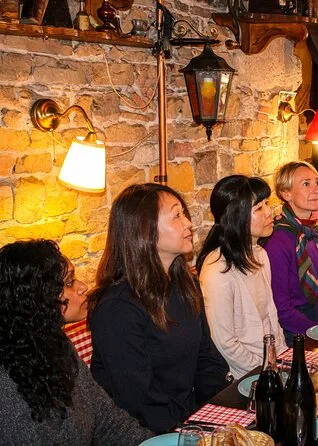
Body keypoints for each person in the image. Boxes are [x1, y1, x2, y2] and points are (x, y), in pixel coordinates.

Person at [89, 183, 230, 434]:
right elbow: (138, 399)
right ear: (145, 231)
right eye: (177, 215)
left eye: (184, 213)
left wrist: (215, 412)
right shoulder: (117, 308)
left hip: (188, 419)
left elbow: (207, 357)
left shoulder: (185, 284)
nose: (189, 223)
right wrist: (190, 431)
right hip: (144, 432)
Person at [0, 240, 153, 444]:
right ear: (36, 296)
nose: (83, 287)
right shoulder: (7, 384)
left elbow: (108, 419)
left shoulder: (57, 346)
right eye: (69, 282)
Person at [197, 176, 288, 379]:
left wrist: (282, 356)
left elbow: (270, 316)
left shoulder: (260, 254)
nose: (269, 212)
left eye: (267, 203)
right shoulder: (218, 270)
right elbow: (225, 343)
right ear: (236, 216)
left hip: (271, 364)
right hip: (242, 375)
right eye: (259, 208)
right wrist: (264, 370)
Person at [264, 161, 318, 346]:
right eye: (306, 184)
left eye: (317, 182)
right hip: (292, 333)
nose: (316, 190)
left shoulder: (310, 232)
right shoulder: (278, 240)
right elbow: (282, 310)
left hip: (314, 322)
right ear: (286, 193)